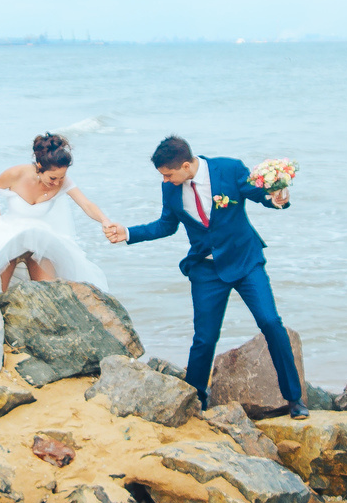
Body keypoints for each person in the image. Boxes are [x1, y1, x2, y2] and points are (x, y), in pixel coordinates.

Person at [104, 135, 305, 418]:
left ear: (186, 165)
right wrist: (128, 233)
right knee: (204, 338)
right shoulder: (171, 189)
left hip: (245, 261)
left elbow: (260, 194)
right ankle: (195, 398)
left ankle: (295, 399)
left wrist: (278, 199)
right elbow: (166, 225)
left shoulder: (229, 168)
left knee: (271, 322)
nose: (165, 180)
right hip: (206, 269)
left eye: (167, 174)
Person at [0, 133, 121, 292]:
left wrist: (105, 220)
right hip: (9, 233)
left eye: (61, 178)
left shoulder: (63, 181)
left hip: (39, 238)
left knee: (49, 292)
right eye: (53, 178)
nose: (57, 183)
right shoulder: (16, 173)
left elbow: (86, 204)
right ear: (39, 165)